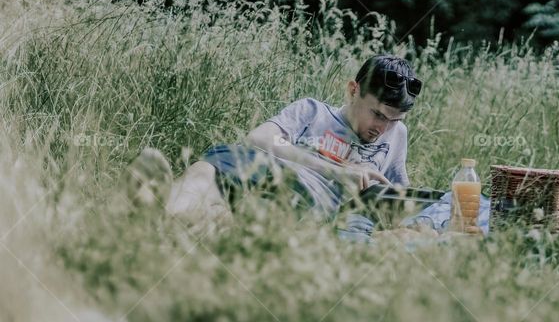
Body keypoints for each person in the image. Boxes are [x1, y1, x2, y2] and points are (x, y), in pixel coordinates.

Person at [126, 54, 421, 231]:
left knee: (226, 215)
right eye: (377, 114)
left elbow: (402, 197)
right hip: (266, 171)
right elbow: (260, 138)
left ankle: (154, 209)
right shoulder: (312, 111)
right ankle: (161, 208)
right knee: (209, 169)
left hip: (305, 207)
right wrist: (336, 171)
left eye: (394, 119)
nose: (383, 128)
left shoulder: (397, 135)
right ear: (353, 90)